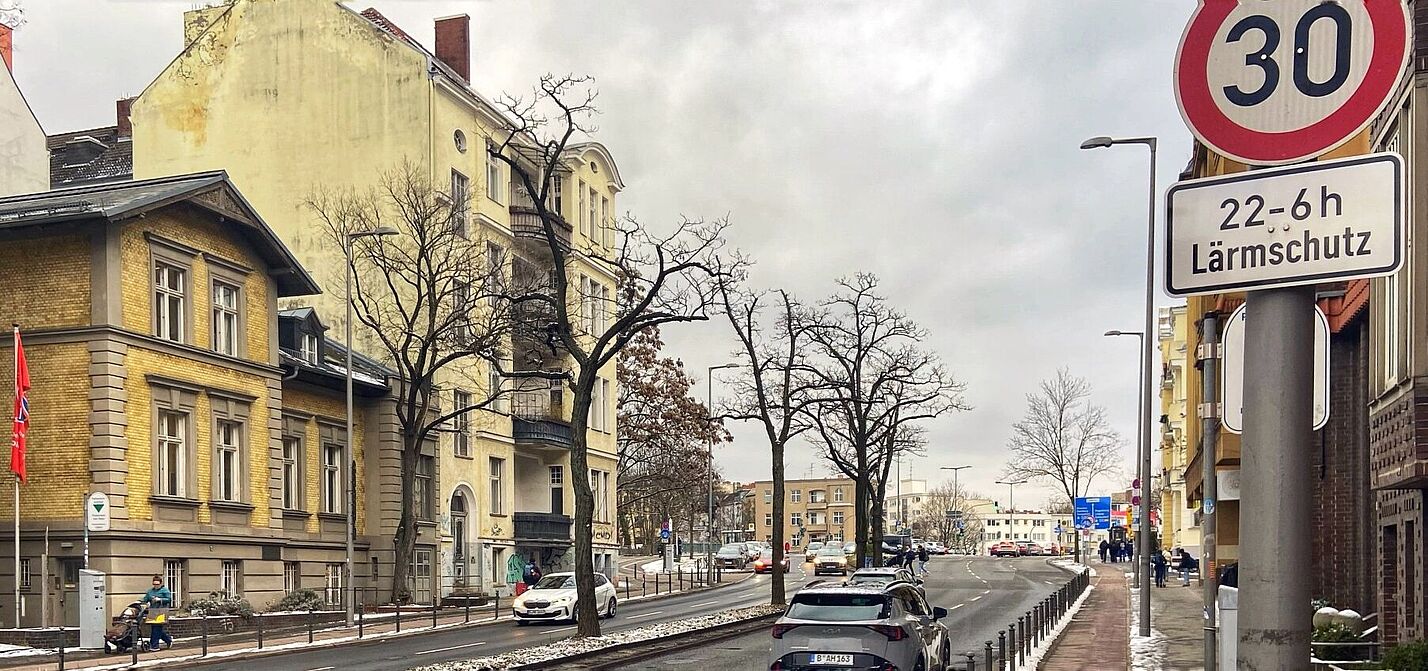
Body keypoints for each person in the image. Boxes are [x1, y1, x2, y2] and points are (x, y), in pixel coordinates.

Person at [140, 575, 173, 650]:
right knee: (156, 628)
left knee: (156, 628)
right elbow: (145, 599)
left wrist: (159, 599)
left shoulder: (165, 590)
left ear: (161, 584)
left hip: (162, 611)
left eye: (157, 584)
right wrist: (141, 602)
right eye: (154, 584)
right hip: (153, 611)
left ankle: (154, 645)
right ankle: (168, 640)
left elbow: (169, 599)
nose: (156, 586)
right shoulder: (150, 591)